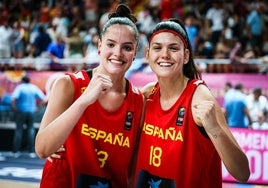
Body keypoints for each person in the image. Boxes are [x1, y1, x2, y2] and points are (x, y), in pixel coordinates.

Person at [35, 4, 144, 188]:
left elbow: (131, 172)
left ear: (135, 53)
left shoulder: (139, 101)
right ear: (100, 46)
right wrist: (84, 100)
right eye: (111, 44)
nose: (117, 53)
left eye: (127, 47)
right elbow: (42, 149)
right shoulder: (68, 85)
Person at [134, 18, 250, 187]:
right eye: (157, 47)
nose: (165, 54)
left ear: (186, 55)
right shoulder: (148, 94)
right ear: (147, 54)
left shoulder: (199, 96)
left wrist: (214, 129)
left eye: (173, 48)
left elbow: (242, 173)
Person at [11, 75, 46, 158]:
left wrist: (14, 107)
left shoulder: (20, 87)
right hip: (31, 112)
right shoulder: (33, 88)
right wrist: (38, 108)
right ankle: (31, 151)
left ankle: (15, 151)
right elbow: (43, 98)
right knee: (31, 130)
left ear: (22, 81)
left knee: (19, 130)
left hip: (21, 111)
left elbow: (13, 98)